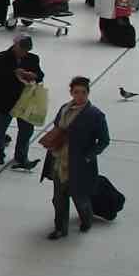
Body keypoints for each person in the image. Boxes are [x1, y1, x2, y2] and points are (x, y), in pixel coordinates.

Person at [40, 76, 110, 240]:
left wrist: (88, 157)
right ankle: (60, 228)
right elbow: (58, 127)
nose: (79, 96)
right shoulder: (64, 109)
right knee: (59, 198)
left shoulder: (95, 115)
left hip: (79, 165)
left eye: (83, 92)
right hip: (59, 160)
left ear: (88, 93)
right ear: (71, 93)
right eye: (76, 92)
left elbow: (104, 141)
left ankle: (87, 219)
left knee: (80, 198)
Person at [0, 35, 44, 168]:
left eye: (26, 50)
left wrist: (34, 76)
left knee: (26, 130)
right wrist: (13, 73)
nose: (24, 53)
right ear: (15, 45)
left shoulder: (33, 58)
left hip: (25, 100)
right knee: (0, 129)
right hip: (4, 99)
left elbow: (40, 75)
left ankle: (21, 156)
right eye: (22, 49)